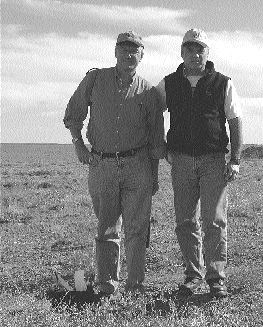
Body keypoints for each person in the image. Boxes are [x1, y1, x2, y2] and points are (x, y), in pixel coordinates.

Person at [63, 31, 165, 296]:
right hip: (102, 165)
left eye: (135, 50)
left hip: (138, 167)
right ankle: (107, 285)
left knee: (136, 229)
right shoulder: (95, 79)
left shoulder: (150, 92)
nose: (129, 55)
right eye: (124, 49)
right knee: (106, 227)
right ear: (115, 52)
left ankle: (135, 286)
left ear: (142, 56)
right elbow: (74, 113)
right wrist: (78, 144)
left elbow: (156, 140)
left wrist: (153, 177)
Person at [156, 28, 243, 298]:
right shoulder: (168, 84)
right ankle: (193, 275)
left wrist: (235, 159)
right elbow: (151, 114)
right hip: (180, 161)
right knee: (184, 221)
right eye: (189, 49)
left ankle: (216, 278)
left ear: (207, 53)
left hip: (213, 161)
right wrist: (162, 149)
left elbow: (235, 120)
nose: (195, 54)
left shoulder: (223, 83)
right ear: (181, 53)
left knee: (214, 221)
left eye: (200, 49)